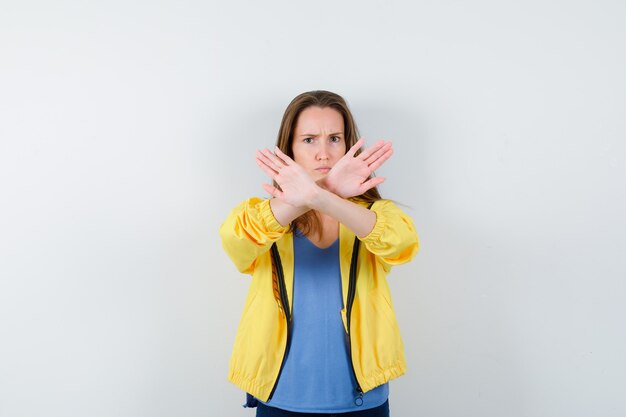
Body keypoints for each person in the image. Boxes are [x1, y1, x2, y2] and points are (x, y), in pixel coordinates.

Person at [219, 90, 419, 417]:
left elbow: (402, 243)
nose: (323, 153)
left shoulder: (373, 215)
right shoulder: (263, 217)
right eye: (309, 140)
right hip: (280, 397)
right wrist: (305, 198)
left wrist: (326, 198)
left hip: (361, 399)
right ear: (290, 149)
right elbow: (236, 242)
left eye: (335, 139)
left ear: (348, 144)